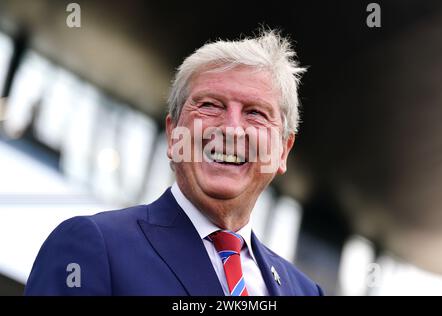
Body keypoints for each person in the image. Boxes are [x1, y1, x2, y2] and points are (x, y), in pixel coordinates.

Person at [25, 30, 323, 296]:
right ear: (172, 134)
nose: (232, 129)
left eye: (255, 113)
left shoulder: (307, 291)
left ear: (283, 151)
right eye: (209, 105)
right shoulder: (94, 247)